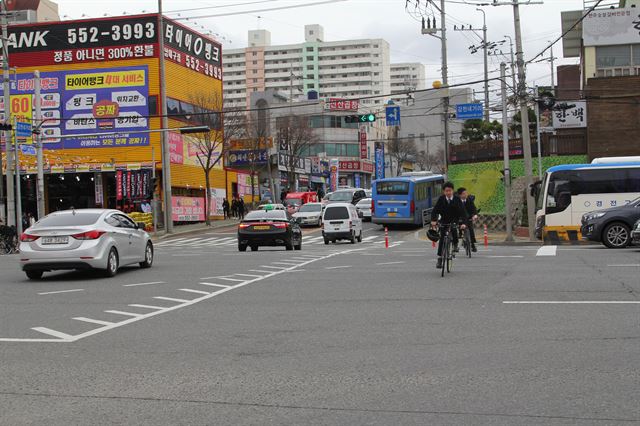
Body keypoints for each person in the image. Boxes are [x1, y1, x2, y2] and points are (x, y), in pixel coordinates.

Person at [430, 182, 468, 269]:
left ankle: (455, 244)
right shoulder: (441, 199)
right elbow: (435, 210)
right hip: (444, 220)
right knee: (442, 238)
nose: (448, 192)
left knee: (454, 229)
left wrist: (463, 223)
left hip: (454, 220)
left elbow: (463, 212)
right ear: (444, 191)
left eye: (449, 191)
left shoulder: (457, 199)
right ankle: (440, 258)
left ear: (452, 190)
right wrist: (433, 220)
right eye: (446, 191)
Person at [457, 187, 478, 252]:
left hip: (468, 218)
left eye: (466, 193)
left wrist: (475, 215)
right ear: (460, 195)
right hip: (459, 218)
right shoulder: (457, 201)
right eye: (464, 194)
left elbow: (474, 208)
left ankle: (472, 244)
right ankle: (457, 244)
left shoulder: (469, 200)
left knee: (471, 229)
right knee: (457, 229)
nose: (466, 195)